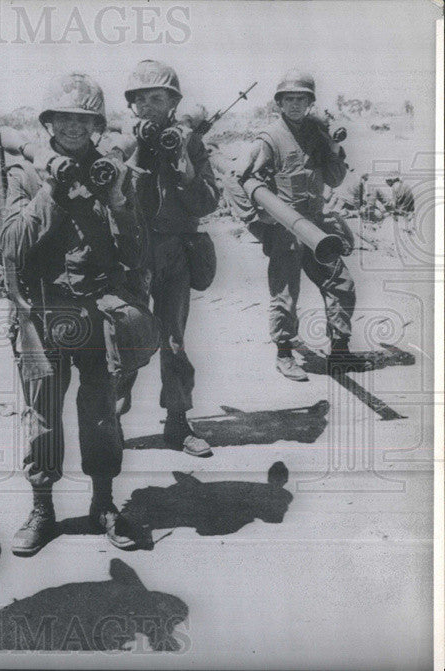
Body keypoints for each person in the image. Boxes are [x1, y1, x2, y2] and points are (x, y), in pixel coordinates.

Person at [0, 72, 159, 557]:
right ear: (49, 122)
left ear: (96, 125)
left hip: (99, 311)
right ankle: (43, 508)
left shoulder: (113, 172)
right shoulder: (24, 174)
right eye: (64, 118)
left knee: (102, 414)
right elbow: (11, 246)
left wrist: (118, 204)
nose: (73, 127)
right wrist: (50, 190)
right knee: (43, 415)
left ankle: (104, 504)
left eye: (83, 120)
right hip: (45, 314)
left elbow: (138, 253)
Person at [235, 70, 368, 379]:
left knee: (341, 283)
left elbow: (334, 178)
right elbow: (238, 179)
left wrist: (334, 150)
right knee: (285, 295)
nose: (295, 105)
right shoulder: (269, 138)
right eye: (289, 99)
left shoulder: (317, 135)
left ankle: (340, 352)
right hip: (285, 230)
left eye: (302, 99)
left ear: (310, 103)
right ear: (279, 103)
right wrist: (258, 218)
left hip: (317, 227)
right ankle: (284, 354)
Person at [119, 60, 219, 458]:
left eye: (156, 98)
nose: (147, 107)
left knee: (174, 341)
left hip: (176, 254)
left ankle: (178, 422)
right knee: (126, 337)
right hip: (133, 257)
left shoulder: (189, 142)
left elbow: (209, 201)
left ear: (173, 102)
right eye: (140, 100)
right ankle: (110, 417)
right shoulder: (122, 143)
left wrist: (187, 170)